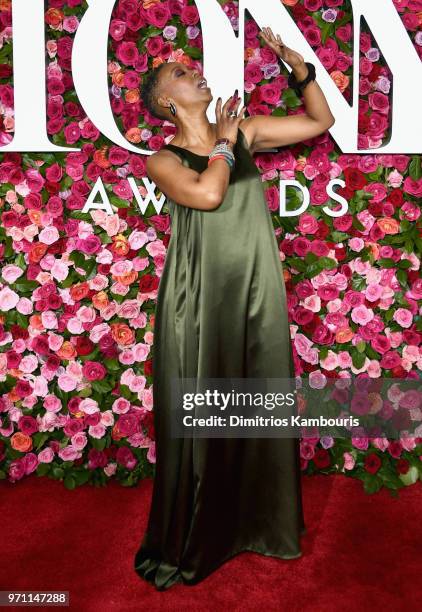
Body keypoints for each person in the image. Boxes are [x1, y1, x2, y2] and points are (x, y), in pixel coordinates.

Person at [134, 26, 335, 590]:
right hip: (197, 299)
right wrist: (221, 145)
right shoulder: (162, 160)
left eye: (192, 66)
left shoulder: (244, 132)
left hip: (254, 289)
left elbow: (319, 123)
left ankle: (258, 525)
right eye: (180, 73)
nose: (194, 71)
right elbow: (207, 194)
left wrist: (301, 71)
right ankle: (201, 533)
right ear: (167, 102)